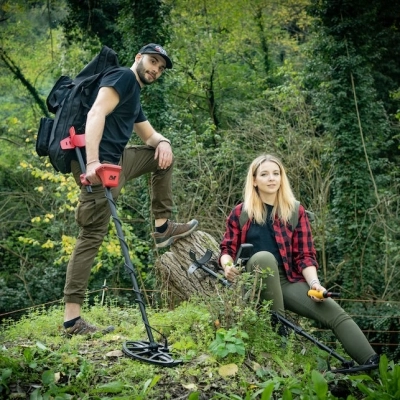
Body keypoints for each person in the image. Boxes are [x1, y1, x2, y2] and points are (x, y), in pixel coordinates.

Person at [63, 43, 198, 335]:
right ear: (138, 58)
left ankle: (162, 226)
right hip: (99, 167)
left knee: (162, 158)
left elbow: (149, 136)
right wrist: (93, 161)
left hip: (119, 162)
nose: (155, 70)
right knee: (91, 236)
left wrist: (164, 143)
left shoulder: (133, 93)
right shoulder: (123, 76)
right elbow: (96, 112)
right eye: (152, 62)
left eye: (161, 68)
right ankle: (72, 319)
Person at [219, 154, 379, 366]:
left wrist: (314, 284)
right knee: (264, 258)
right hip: (252, 281)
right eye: (264, 174)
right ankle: (280, 339)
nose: (271, 178)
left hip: (286, 280)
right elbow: (227, 249)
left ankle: (375, 366)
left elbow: (305, 255)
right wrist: (228, 266)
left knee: (334, 312)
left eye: (276, 174)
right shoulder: (241, 212)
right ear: (254, 180)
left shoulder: (295, 211)